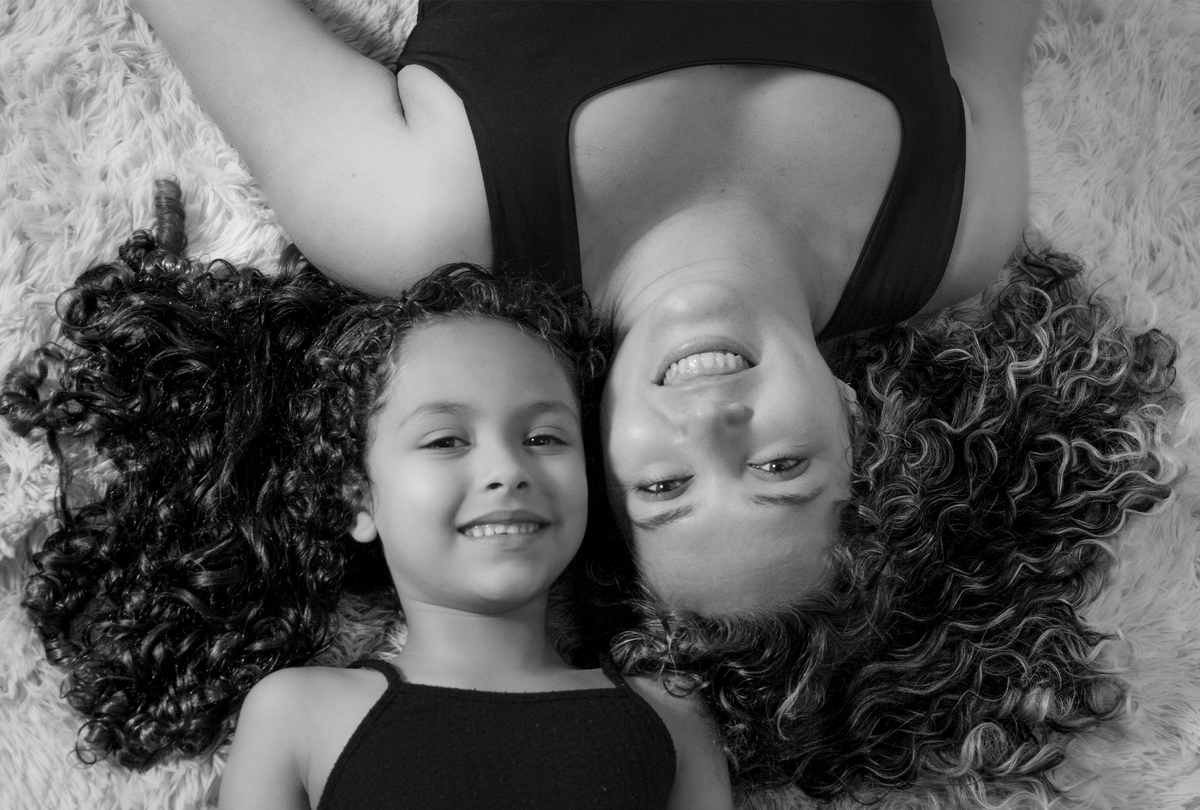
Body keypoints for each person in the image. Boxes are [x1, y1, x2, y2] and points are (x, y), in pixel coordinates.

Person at [126, 0, 1045, 614]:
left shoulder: (423, 219)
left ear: (597, 457)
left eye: (665, 487)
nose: (711, 425)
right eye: (778, 465)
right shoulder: (961, 220)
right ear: (857, 427)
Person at [1, 201, 746, 810]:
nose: (508, 469)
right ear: (359, 498)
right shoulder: (298, 716)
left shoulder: (672, 718)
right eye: (446, 440)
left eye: (544, 437)